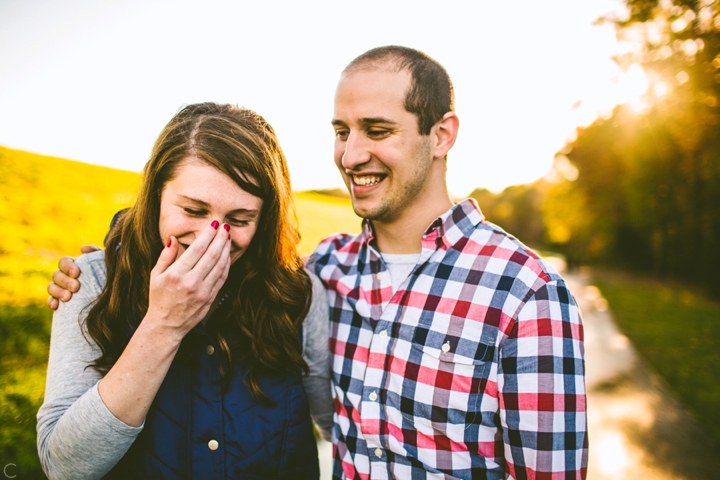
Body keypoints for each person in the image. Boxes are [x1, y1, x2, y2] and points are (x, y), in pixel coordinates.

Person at [49, 46, 588, 479]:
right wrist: (117, 255)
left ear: (441, 135)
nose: (351, 155)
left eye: (377, 131)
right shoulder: (331, 269)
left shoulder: (525, 293)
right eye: (341, 131)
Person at [37, 102, 333, 480]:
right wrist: (164, 324)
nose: (212, 238)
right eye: (193, 210)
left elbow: (338, 429)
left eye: (239, 220)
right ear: (156, 194)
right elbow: (64, 466)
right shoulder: (90, 283)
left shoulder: (297, 295)